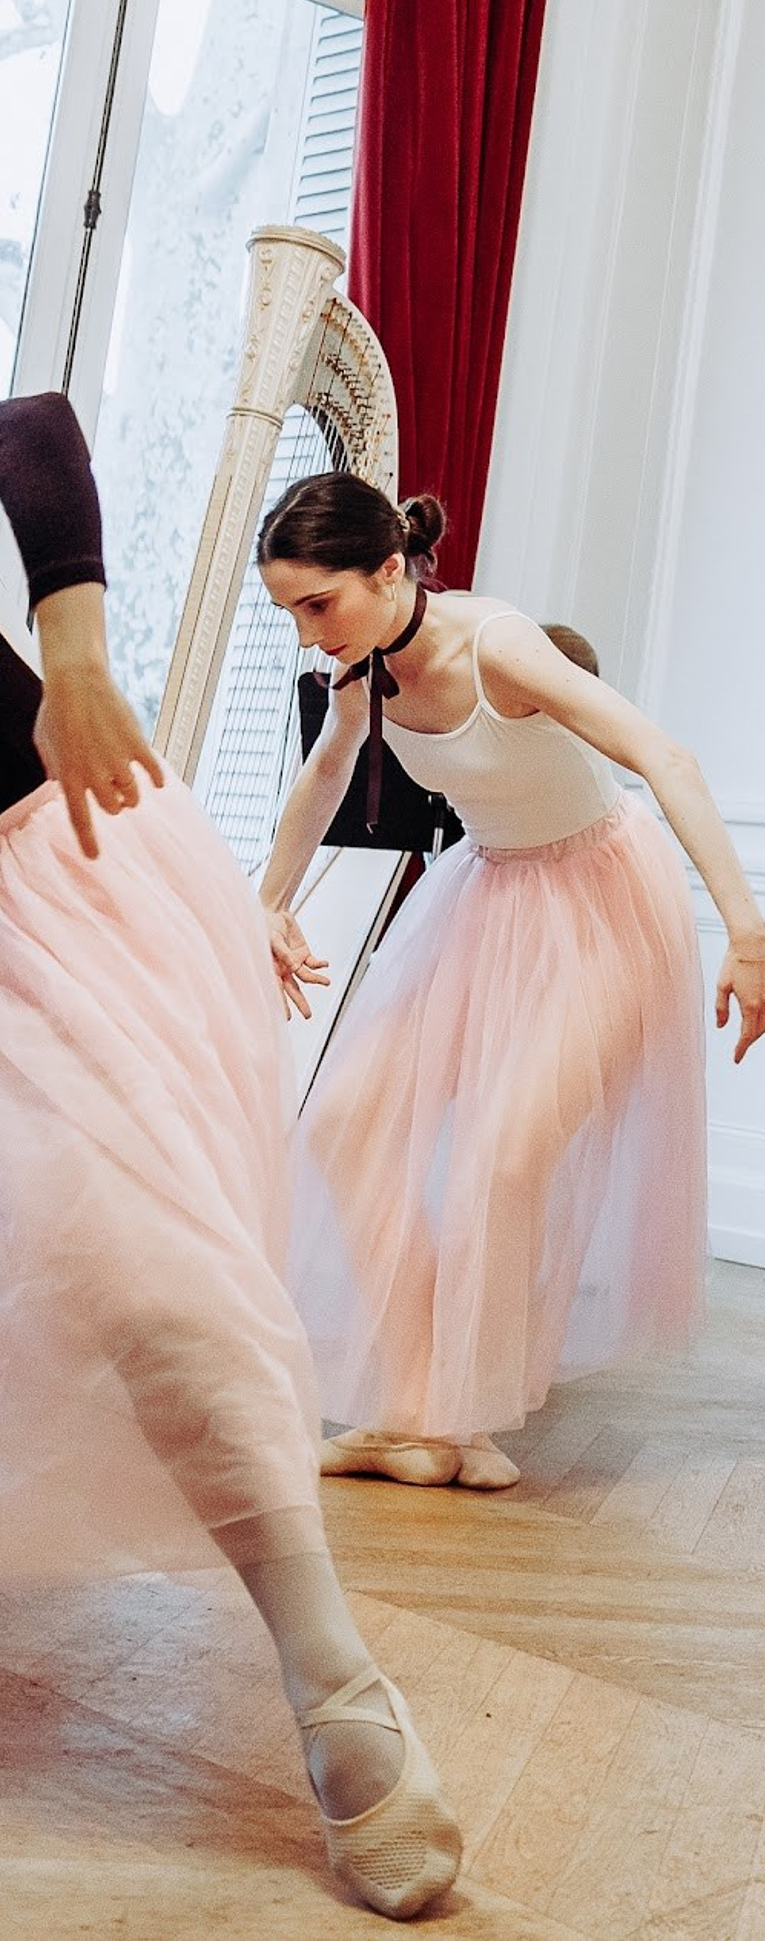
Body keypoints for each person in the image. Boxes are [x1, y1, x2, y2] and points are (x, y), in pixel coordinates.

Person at [0, 394, 460, 1917]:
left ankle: (329, 1672)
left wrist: (72, 651)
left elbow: (30, 424)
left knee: (142, 1275)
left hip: (46, 884)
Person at [257, 477, 765, 1493]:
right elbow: (326, 775)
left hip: (601, 897)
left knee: (504, 1156)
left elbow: (659, 754)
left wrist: (747, 928)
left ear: (390, 569)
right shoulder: (361, 670)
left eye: (317, 604)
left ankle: (465, 1419)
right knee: (346, 1122)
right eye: (290, 612)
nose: (306, 633)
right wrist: (265, 903)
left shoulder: (497, 646)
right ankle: (413, 1400)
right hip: (486, 891)